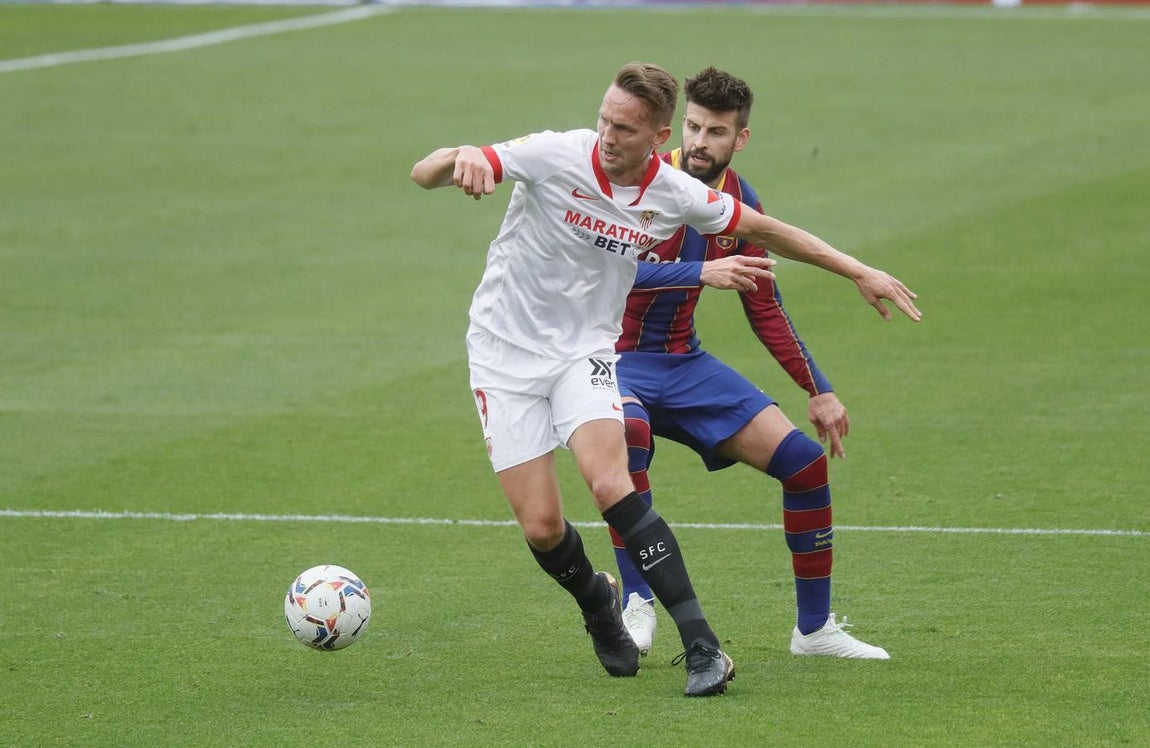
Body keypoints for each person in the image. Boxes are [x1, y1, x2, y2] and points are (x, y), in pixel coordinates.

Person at [410, 62, 918, 697]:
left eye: (623, 128)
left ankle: (702, 646)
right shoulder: (555, 154)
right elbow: (424, 170)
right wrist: (458, 162)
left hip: (586, 355)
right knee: (542, 527)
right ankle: (601, 602)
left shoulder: (676, 194)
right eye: (603, 119)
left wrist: (859, 271)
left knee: (611, 482)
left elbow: (767, 233)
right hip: (501, 355)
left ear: (654, 138)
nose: (606, 136)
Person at [609, 67, 911, 660]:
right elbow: (606, 272)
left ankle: (815, 631)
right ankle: (636, 601)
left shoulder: (740, 203)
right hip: (607, 358)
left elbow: (764, 303)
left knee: (803, 463)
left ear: (739, 139)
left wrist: (817, 389)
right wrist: (701, 272)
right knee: (629, 433)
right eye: (692, 127)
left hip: (681, 361)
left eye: (715, 132)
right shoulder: (633, 184)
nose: (700, 142)